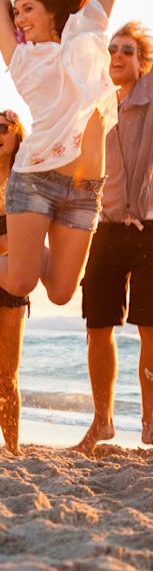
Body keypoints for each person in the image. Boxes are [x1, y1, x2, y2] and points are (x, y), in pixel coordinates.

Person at [75, 0, 153, 454]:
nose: (117, 54)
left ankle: (148, 420)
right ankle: (102, 421)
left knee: (150, 326)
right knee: (98, 324)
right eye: (112, 49)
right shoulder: (96, 102)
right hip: (104, 227)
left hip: (151, 227)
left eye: (127, 50)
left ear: (142, 62)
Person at [0, 0, 124, 305]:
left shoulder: (87, 30)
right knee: (20, 282)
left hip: (86, 188)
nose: (19, 19)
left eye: (27, 8)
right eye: (16, 11)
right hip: (36, 176)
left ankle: (26, 250)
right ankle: (21, 255)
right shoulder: (22, 58)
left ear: (51, 10)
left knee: (60, 292)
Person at [0, 109, 28, 455]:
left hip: (11, 280)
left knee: (8, 374)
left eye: (4, 128)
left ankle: (13, 448)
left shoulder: (26, 177)